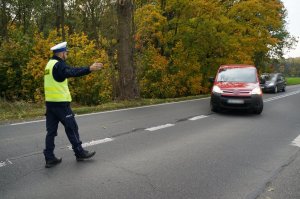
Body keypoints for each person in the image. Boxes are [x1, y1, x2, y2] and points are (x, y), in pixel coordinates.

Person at [43, 41, 103, 168]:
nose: (67, 54)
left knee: (51, 132)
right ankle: (79, 152)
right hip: (61, 105)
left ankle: (49, 158)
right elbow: (72, 72)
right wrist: (89, 69)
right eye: (66, 52)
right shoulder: (59, 65)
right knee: (72, 128)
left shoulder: (49, 64)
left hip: (50, 105)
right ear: (61, 53)